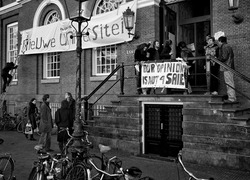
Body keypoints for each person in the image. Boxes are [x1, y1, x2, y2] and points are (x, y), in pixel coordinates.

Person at [217, 36, 236, 102]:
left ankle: (231, 98)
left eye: (218, 42)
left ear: (220, 41)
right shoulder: (228, 46)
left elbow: (224, 57)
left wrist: (217, 59)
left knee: (229, 82)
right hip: (229, 66)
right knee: (230, 82)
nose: (218, 43)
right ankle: (232, 97)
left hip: (227, 67)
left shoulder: (224, 47)